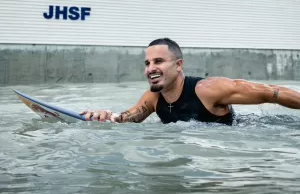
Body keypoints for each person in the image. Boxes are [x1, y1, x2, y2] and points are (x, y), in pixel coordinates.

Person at [80, 38, 300, 125]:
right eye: (147, 63)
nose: (150, 68)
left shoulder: (210, 89)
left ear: (178, 65)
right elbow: (125, 118)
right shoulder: (153, 98)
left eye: (158, 61)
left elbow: (273, 93)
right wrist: (105, 116)